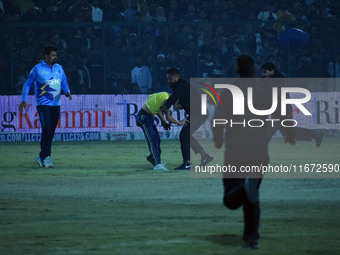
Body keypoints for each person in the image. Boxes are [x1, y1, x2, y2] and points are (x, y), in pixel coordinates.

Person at [213, 54, 296, 249]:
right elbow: (284, 112)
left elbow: (218, 118)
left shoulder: (228, 91)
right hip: (258, 150)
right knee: (253, 195)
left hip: (235, 150)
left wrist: (217, 140)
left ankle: (244, 191)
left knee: (231, 200)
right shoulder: (266, 90)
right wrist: (290, 133)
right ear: (254, 70)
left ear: (236, 70)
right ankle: (251, 237)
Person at [19, 46, 72, 168]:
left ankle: (41, 156)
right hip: (43, 104)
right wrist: (23, 100)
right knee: (47, 127)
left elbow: (63, 81)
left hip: (56, 104)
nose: (55, 57)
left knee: (51, 131)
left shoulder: (59, 68)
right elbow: (27, 85)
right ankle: (47, 157)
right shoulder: (37, 69)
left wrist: (67, 91)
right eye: (53, 55)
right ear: (46, 56)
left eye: (56, 55)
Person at [261, 62, 324, 147]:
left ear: (271, 71)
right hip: (277, 108)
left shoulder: (281, 78)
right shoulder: (266, 79)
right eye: (263, 72)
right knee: (285, 131)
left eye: (265, 72)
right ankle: (315, 134)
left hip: (283, 108)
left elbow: (279, 93)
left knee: (279, 130)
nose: (264, 74)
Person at [163, 67, 214, 170]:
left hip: (199, 113)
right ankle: (205, 156)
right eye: (168, 78)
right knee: (187, 136)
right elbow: (181, 100)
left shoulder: (181, 86)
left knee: (184, 135)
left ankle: (188, 163)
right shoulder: (180, 85)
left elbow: (173, 99)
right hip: (197, 113)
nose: (169, 81)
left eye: (170, 78)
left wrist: (165, 106)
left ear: (176, 77)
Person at [136, 92, 188, 170]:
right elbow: (169, 117)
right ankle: (157, 164)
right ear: (177, 101)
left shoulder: (166, 97)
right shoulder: (166, 99)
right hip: (143, 117)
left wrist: (163, 122)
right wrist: (179, 122)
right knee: (153, 139)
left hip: (147, 117)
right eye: (180, 106)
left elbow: (158, 109)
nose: (179, 109)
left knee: (156, 139)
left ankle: (153, 158)